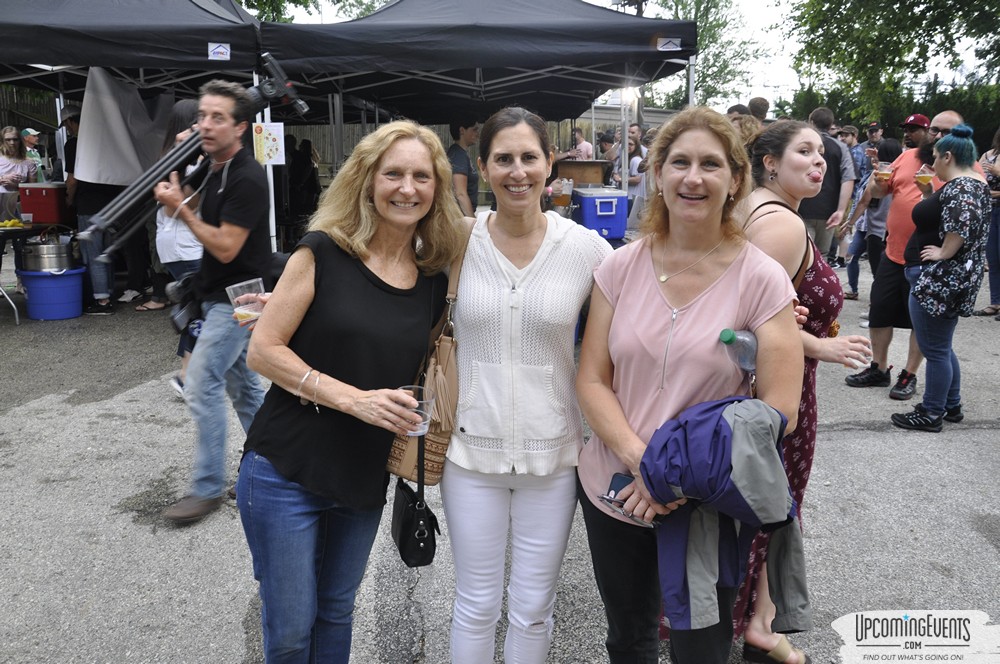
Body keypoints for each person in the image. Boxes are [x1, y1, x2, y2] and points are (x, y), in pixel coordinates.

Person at [576, 106, 804, 664]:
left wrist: (673, 478)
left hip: (706, 503)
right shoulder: (620, 268)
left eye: (710, 164)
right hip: (617, 491)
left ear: (735, 180)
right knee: (628, 639)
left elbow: (780, 409)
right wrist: (642, 464)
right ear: (657, 174)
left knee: (699, 646)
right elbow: (591, 379)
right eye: (679, 162)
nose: (693, 177)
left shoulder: (761, 277)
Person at [236, 119, 464, 663]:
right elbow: (263, 351)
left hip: (362, 476)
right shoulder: (322, 252)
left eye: (421, 176)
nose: (407, 188)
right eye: (393, 174)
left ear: (437, 188)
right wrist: (353, 399)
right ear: (366, 180)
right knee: (291, 631)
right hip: (286, 469)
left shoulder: (435, 278)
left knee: (337, 613)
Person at [440, 106, 612, 664]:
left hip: (555, 457)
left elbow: (657, 307)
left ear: (550, 164)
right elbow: (379, 286)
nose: (518, 171)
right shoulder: (454, 242)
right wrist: (299, 304)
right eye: (503, 159)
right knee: (476, 604)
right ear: (484, 167)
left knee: (534, 605)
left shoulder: (586, 250)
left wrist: (781, 328)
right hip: (470, 455)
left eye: (529, 157)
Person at [733, 120, 873, 664]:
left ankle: (756, 618)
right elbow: (749, 320)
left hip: (773, 381)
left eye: (823, 154)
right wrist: (823, 347)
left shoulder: (765, 211)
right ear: (769, 160)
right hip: (777, 385)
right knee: (776, 504)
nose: (820, 164)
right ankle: (759, 625)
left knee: (769, 503)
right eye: (805, 153)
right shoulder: (781, 226)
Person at [153, 80, 270, 525]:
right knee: (243, 388)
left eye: (217, 117)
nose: (205, 124)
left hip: (240, 297)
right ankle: (273, 464)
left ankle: (206, 490)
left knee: (201, 385)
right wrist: (180, 177)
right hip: (222, 294)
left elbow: (224, 246)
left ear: (240, 127)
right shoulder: (216, 167)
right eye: (202, 115)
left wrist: (181, 208)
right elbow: (177, 210)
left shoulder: (247, 176)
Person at [845, 110, 967, 400]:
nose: (937, 135)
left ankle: (909, 374)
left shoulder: (965, 167)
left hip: (929, 260)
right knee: (879, 312)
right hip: (894, 251)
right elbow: (880, 192)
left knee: (920, 322)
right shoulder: (907, 156)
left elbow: (965, 216)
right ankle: (878, 367)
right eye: (934, 130)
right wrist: (876, 181)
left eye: (945, 131)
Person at [890, 125, 990, 432]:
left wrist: (944, 252)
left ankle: (931, 413)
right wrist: (930, 196)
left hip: (942, 280)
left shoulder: (963, 187)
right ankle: (951, 405)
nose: (932, 165)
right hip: (951, 279)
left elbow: (961, 224)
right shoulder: (972, 184)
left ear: (948, 156)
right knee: (941, 347)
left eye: (935, 158)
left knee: (934, 350)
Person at [144, 100, 204, 392]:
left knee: (199, 307)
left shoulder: (170, 156)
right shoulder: (184, 159)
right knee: (204, 308)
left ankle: (189, 374)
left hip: (177, 245)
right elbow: (173, 208)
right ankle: (186, 376)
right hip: (186, 245)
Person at [798, 107, 855, 266]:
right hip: (829, 211)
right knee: (821, 256)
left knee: (801, 255)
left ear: (811, 122)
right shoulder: (840, 147)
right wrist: (841, 210)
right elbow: (848, 178)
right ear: (831, 124)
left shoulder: (801, 144)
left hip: (802, 206)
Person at [973, 126, 1000, 317]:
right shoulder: (987, 155)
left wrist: (998, 172)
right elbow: (978, 178)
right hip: (990, 209)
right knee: (993, 258)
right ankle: (995, 302)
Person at [0, 126, 37, 219]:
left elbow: (33, 188)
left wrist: (15, 185)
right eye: (8, 140)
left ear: (20, 141)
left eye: (15, 139)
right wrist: (3, 178)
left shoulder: (29, 162)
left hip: (20, 204)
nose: (12, 143)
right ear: (2, 141)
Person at [447, 114, 480, 216]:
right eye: (474, 130)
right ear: (462, 130)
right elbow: (460, 193)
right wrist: (472, 222)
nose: (477, 134)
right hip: (460, 218)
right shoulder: (457, 155)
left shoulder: (460, 153)